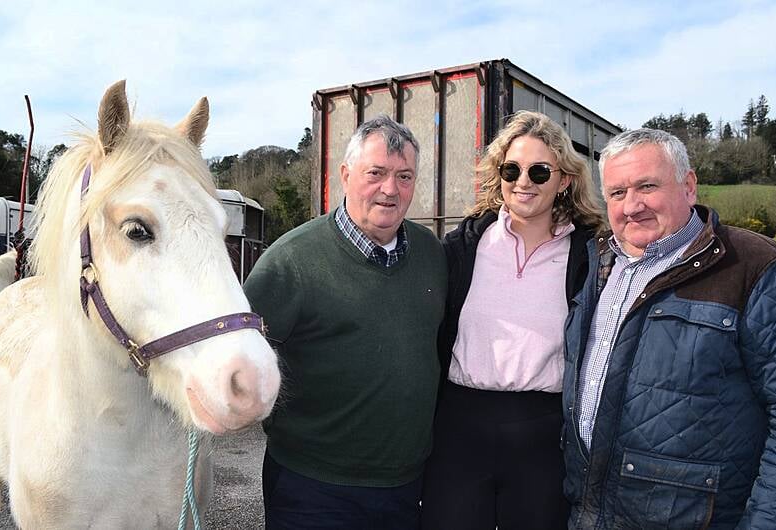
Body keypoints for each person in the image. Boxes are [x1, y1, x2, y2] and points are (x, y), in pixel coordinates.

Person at [561, 128, 776, 528]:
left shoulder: (750, 266)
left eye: (647, 186)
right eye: (617, 193)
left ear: (688, 186)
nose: (631, 206)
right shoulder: (598, 265)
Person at [243, 115, 447, 529]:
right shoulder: (290, 262)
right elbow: (242, 356)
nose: (390, 189)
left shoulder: (432, 255)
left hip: (405, 487)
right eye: (376, 173)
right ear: (345, 175)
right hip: (312, 489)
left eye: (404, 176)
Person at [421, 111, 604, 530]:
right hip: (460, 427)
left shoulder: (590, 256)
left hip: (543, 432)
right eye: (512, 169)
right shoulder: (462, 247)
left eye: (540, 171)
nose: (524, 182)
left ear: (564, 181)